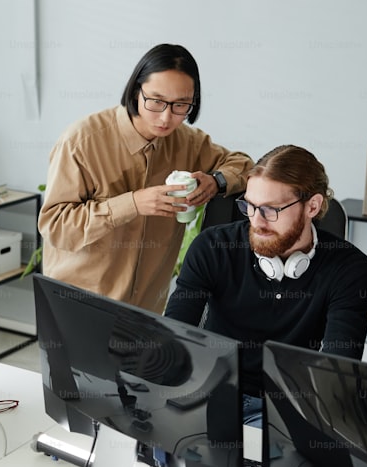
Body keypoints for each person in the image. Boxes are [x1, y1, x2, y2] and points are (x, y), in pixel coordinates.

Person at [38, 43, 254, 314]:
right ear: (135, 89)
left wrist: (216, 181)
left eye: (181, 105)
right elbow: (56, 228)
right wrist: (133, 204)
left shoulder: (187, 142)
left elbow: (245, 166)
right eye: (156, 101)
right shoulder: (81, 142)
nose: (166, 117)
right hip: (80, 306)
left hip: (147, 309)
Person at [164, 145, 367, 424]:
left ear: (312, 206)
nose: (256, 222)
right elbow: (174, 336)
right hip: (213, 395)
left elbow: (338, 371)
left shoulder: (348, 267)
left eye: (270, 210)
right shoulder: (213, 247)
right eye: (249, 206)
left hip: (290, 409)